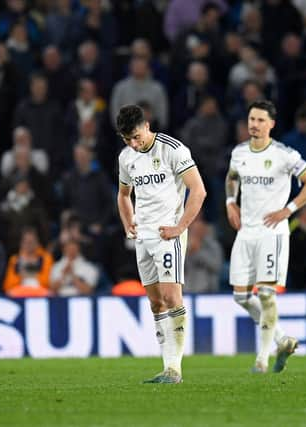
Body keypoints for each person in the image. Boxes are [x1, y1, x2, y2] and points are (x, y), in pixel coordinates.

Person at [225, 100, 306, 373]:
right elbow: (232, 177)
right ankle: (283, 339)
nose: (254, 125)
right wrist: (230, 201)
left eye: (260, 120)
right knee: (241, 297)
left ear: (271, 124)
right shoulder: (239, 152)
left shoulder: (284, 154)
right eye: (251, 119)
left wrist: (288, 210)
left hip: (272, 232)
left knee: (267, 294)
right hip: (246, 232)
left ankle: (262, 359)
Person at [116, 104, 206, 384]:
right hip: (143, 237)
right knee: (156, 303)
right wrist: (128, 221)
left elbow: (198, 190)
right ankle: (167, 367)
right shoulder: (126, 157)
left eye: (135, 136)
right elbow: (123, 194)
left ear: (146, 125)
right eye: (126, 139)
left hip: (168, 233)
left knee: (171, 297)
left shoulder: (172, 149)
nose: (133, 143)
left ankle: (175, 369)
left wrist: (180, 227)